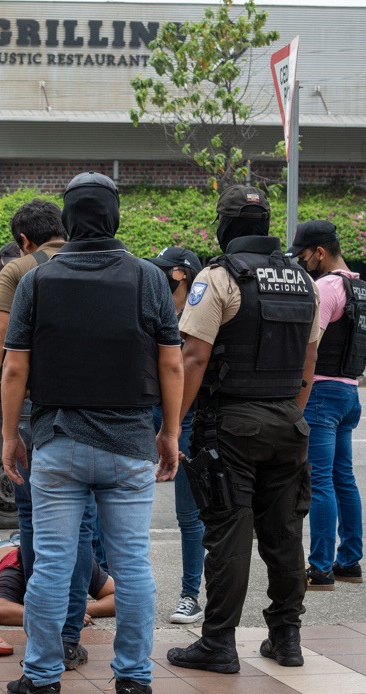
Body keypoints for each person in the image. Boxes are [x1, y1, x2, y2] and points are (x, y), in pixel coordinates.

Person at [0, 173, 183, 694]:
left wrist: (12, 435)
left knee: (53, 563)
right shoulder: (148, 278)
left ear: (69, 219)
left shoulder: (38, 279)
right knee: (131, 565)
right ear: (115, 217)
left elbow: (14, 368)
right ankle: (133, 681)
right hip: (129, 441)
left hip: (56, 439)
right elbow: (170, 360)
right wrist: (170, 431)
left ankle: (42, 679)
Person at [166, 186, 321, 676]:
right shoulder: (302, 280)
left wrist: (172, 427)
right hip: (288, 421)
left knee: (229, 534)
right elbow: (309, 361)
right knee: (284, 532)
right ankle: (286, 638)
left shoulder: (219, 277)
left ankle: (218, 643)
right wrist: (291, 412)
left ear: (226, 225)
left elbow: (194, 355)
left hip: (231, 426)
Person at [0, 203, 92, 669]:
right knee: (83, 532)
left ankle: (48, 638)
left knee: (38, 526)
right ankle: (70, 635)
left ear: (23, 239)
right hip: (105, 416)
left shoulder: (21, 269)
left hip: (41, 415)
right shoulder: (106, 264)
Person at [288, 221, 366, 590]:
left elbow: (311, 346)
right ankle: (349, 561)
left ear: (319, 252)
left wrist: (297, 397)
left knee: (319, 481)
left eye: (304, 255)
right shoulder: (360, 287)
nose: (302, 263)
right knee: (343, 478)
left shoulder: (324, 286)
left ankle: (320, 568)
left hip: (321, 393)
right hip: (349, 393)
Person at [145, 246, 207, 626]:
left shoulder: (201, 316)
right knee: (117, 501)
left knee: (189, 515)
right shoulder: (155, 312)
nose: (158, 278)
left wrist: (175, 424)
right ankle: (107, 584)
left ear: (181, 274)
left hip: (186, 421)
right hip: (147, 413)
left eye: (163, 271)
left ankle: (190, 595)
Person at [0, 543, 115, 628]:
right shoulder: (14, 571)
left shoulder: (78, 561)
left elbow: (119, 597)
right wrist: (57, 617)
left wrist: (78, 610)